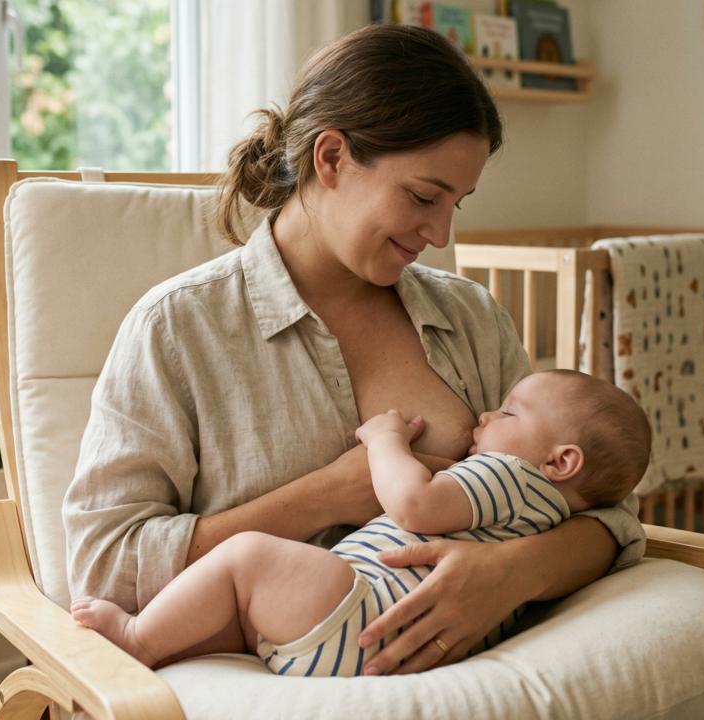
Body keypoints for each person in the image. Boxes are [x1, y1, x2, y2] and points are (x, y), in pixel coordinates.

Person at [62, 23, 646, 676]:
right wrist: (328, 496)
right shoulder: (179, 330)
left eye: (457, 203)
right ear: (332, 158)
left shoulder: (470, 317)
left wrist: (510, 573)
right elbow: (104, 565)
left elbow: (606, 508)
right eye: (424, 196)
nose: (442, 232)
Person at [70, 370, 652, 677]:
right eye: (424, 196)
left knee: (248, 557)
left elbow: (414, 506)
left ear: (560, 462)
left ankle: (139, 639)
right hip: (379, 641)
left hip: (360, 611)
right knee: (247, 596)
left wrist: (385, 441)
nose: (485, 414)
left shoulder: (510, 475)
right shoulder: (543, 505)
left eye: (506, 412)